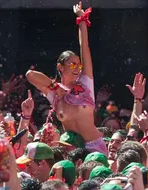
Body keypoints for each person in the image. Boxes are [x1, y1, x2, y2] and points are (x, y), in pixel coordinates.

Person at [25, 2, 106, 154]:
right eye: (72, 64)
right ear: (60, 67)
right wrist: (55, 87)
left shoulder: (85, 82)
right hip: (70, 151)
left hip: (94, 148)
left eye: (79, 65)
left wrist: (82, 20)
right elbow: (30, 75)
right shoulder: (54, 93)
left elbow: (85, 47)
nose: (77, 68)